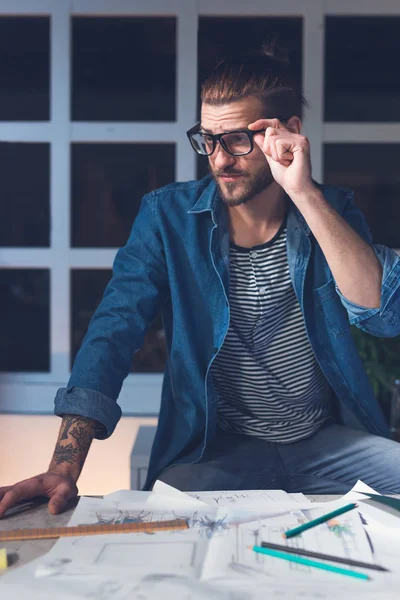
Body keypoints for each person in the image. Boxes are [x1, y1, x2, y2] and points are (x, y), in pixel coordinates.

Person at [1, 48, 400, 519]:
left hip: (325, 442)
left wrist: (303, 191)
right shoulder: (166, 217)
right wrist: (65, 465)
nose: (218, 159)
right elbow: (113, 330)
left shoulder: (330, 209)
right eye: (207, 139)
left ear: (287, 131)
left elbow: (381, 314)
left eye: (236, 140)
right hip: (219, 451)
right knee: (166, 536)